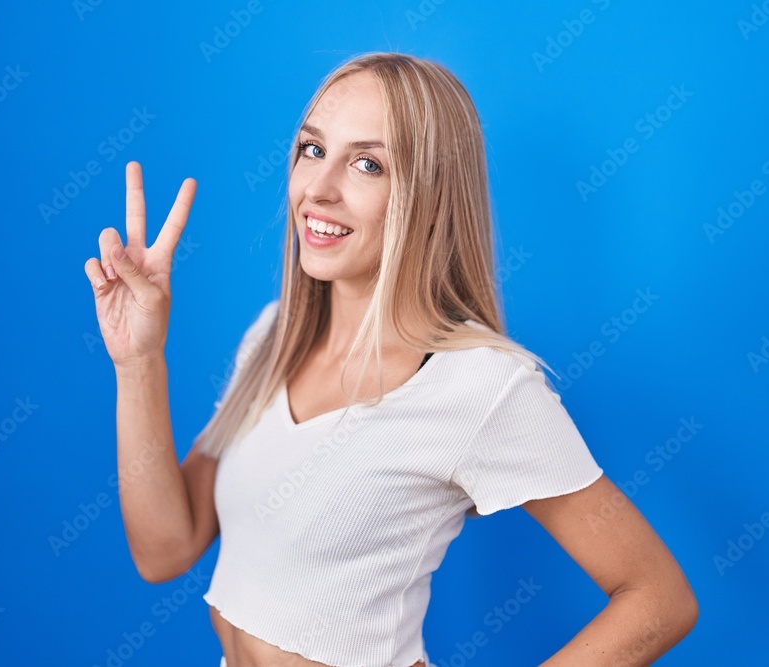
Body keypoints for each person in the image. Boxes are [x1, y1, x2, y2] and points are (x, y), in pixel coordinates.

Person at [84, 52, 697, 667]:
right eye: (312, 150)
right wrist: (138, 361)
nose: (318, 191)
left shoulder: (482, 384)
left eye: (367, 164)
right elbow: (165, 548)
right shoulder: (271, 338)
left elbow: (659, 598)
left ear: (430, 196)